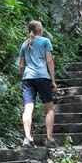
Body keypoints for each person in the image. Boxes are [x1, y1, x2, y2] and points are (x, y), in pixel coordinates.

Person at [17, 19, 57, 148]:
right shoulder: (45, 41)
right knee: (49, 108)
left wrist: (23, 78)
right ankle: (49, 139)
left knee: (28, 109)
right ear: (40, 30)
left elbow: (21, 65)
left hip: (27, 79)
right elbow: (49, 61)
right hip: (42, 77)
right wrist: (53, 80)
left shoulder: (24, 44)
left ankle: (27, 138)